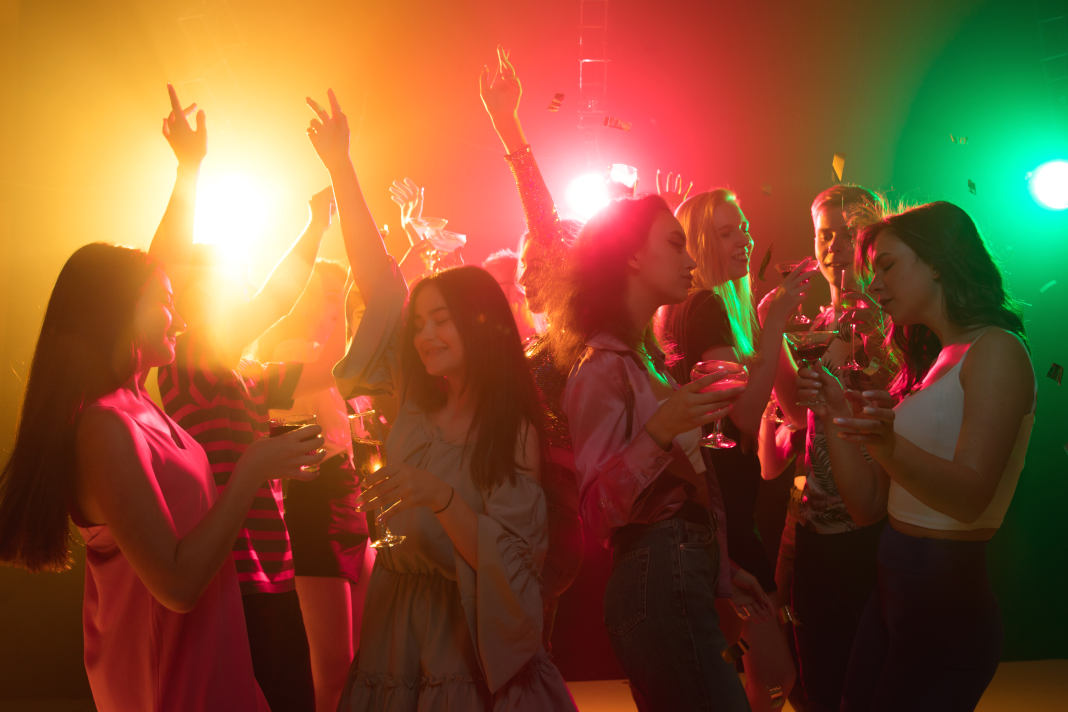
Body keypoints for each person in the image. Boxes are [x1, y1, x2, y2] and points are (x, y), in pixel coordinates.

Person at [306, 87, 576, 711]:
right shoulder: (413, 403)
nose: (423, 334)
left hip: (467, 633)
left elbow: (512, 561)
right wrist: (342, 168)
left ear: (482, 328)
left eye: (441, 321)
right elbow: (378, 280)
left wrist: (440, 496)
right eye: (420, 322)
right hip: (395, 624)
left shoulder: (513, 431)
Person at [0, 243, 324, 711]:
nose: (182, 319)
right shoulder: (103, 426)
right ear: (118, 309)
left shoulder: (144, 406)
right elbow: (176, 586)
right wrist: (252, 469)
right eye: (166, 304)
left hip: (215, 662)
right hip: (168, 683)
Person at [799, 201, 1035, 710]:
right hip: (894, 588)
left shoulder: (997, 349)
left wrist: (886, 444)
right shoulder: (934, 361)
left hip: (944, 600)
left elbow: (970, 497)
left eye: (887, 266)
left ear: (936, 261)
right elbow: (867, 507)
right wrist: (836, 409)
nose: (875, 285)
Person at [556, 184, 773, 709]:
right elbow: (597, 512)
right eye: (676, 245)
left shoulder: (641, 360)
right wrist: (660, 430)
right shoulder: (601, 366)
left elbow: (687, 492)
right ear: (632, 255)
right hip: (654, 585)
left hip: (678, 578)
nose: (690, 259)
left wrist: (722, 570)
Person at [149, 85, 329, 712]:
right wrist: (189, 169)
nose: (237, 293)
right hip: (227, 581)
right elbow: (167, 267)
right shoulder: (190, 364)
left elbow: (288, 318)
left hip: (271, 574)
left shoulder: (243, 374)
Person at [658, 188, 811, 710]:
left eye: (743, 227)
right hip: (720, 512)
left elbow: (786, 414)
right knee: (774, 676)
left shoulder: (720, 304)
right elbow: (742, 418)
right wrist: (773, 327)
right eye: (727, 232)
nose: (744, 238)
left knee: (748, 668)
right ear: (698, 243)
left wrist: (772, 329)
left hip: (727, 506)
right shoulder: (701, 306)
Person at [478, 46, 587, 662]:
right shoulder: (544, 341)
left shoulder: (573, 333)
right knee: (525, 656)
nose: (522, 278)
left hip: (550, 512)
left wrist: (508, 127)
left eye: (531, 264)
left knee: (519, 657)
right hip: (535, 508)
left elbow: (542, 223)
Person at [780, 184, 894, 712]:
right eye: (825, 235)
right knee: (817, 684)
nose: (834, 247)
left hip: (871, 533)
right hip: (813, 528)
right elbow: (799, 427)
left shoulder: (892, 327)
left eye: (849, 234)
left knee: (865, 687)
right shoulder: (815, 325)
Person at [255, 259, 376, 712]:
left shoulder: (322, 353)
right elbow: (338, 364)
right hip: (313, 508)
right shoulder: (291, 348)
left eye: (338, 293)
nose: (336, 303)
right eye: (328, 293)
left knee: (365, 659)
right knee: (333, 670)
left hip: (348, 498)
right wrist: (362, 289)